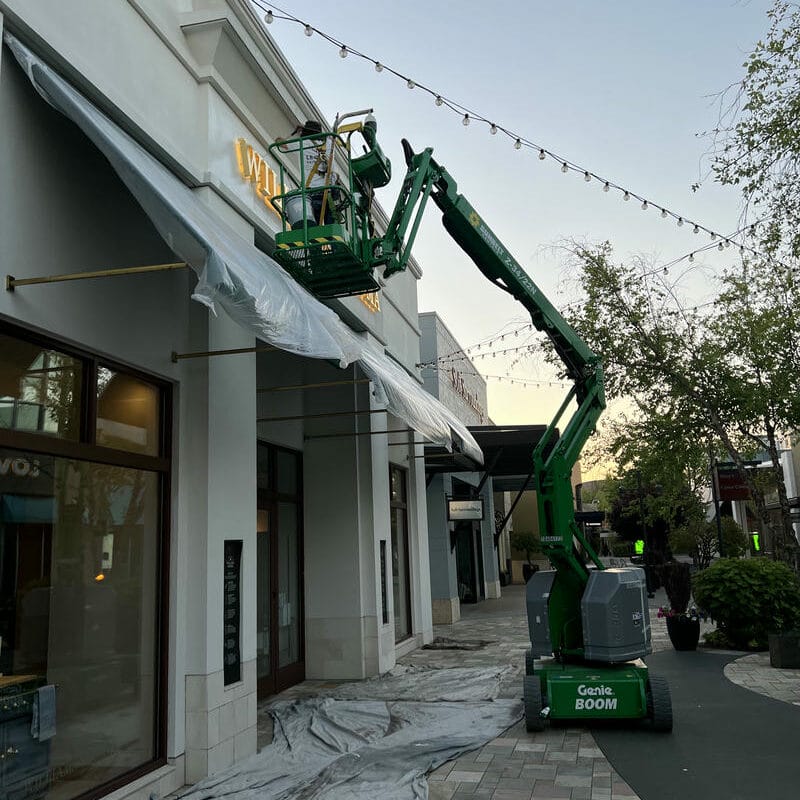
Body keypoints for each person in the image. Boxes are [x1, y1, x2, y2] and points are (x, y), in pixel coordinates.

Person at [280, 120, 337, 228]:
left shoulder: (301, 143)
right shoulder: (329, 143)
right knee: (332, 230)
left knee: (313, 232)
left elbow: (280, 143)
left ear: (305, 132)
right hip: (329, 191)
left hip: (312, 192)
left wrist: (295, 133)